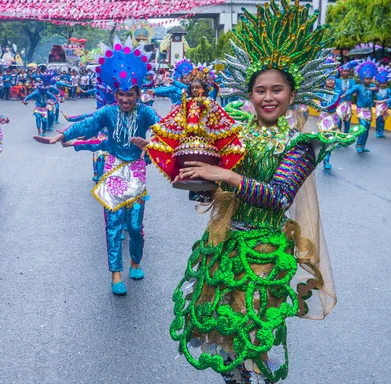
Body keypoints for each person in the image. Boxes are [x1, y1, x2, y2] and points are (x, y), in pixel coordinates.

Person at [144, 1, 364, 382]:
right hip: (226, 244)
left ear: (292, 94)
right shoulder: (236, 133)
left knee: (251, 333)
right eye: (260, 89)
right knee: (222, 335)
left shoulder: (302, 143)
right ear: (249, 93)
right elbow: (211, 184)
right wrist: (194, 179)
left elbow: (279, 196)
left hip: (264, 250)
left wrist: (224, 176)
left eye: (277, 89)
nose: (268, 97)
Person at [42, 37, 161, 296]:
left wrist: (150, 141)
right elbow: (88, 126)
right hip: (113, 169)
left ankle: (135, 261)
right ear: (115, 93)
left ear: (138, 94)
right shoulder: (107, 112)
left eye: (131, 94)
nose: (126, 99)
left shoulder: (146, 113)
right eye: (121, 94)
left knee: (134, 226)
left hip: (137, 170)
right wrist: (64, 135)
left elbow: (165, 130)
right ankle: (116, 274)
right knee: (114, 224)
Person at [340, 59, 378, 152]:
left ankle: (363, 146)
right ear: (362, 78)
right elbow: (351, 91)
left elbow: (377, 92)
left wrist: (376, 89)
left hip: (368, 110)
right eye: (366, 78)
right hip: (361, 110)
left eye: (369, 78)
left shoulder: (372, 86)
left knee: (367, 128)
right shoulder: (358, 87)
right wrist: (344, 95)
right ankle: (358, 145)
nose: (368, 80)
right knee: (363, 126)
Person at [316, 63, 342, 170]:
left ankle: (326, 159)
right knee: (324, 139)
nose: (331, 81)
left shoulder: (337, 92)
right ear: (324, 81)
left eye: (332, 79)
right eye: (328, 79)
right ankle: (321, 156)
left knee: (331, 139)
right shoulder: (320, 92)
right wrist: (318, 106)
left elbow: (335, 103)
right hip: (324, 117)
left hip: (333, 116)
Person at [23, 72, 59, 137]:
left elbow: (55, 96)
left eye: (47, 79)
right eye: (44, 79)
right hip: (38, 107)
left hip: (47, 105)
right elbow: (29, 96)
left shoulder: (50, 88)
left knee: (46, 118)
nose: (46, 81)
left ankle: (47, 127)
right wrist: (25, 100)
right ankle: (39, 131)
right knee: (38, 117)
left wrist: (55, 102)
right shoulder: (38, 90)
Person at [335, 61, 357, 133]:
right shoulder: (337, 81)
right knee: (338, 121)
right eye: (344, 71)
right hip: (339, 103)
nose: (346, 73)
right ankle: (338, 135)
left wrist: (354, 92)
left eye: (348, 71)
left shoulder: (352, 81)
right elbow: (335, 90)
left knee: (347, 121)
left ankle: (346, 136)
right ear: (341, 72)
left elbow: (353, 89)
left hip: (348, 103)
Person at [374, 67, 390, 138]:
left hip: (385, 106)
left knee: (383, 119)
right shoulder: (377, 89)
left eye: (384, 83)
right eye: (381, 83)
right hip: (378, 106)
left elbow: (390, 98)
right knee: (378, 119)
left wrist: (387, 106)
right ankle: (377, 131)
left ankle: (381, 131)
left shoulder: (388, 90)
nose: (383, 84)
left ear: (386, 83)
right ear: (379, 83)